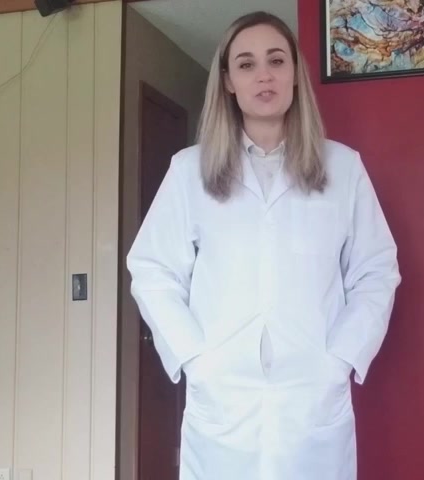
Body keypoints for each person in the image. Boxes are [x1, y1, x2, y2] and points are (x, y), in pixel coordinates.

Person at [126, 10, 401, 480]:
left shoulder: (343, 168)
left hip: (312, 393)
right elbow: (152, 270)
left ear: (294, 73)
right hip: (223, 396)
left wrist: (340, 359)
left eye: (276, 60)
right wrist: (196, 359)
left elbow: (376, 271)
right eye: (246, 64)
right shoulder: (189, 171)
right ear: (228, 81)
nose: (264, 75)